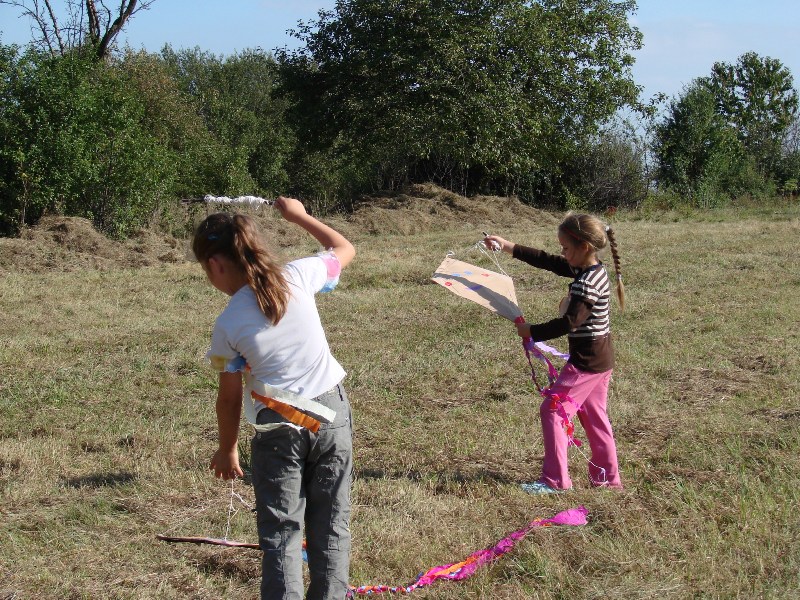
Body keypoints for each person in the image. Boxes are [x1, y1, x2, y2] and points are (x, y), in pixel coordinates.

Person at [192, 197, 356, 600]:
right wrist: (300, 216)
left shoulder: (228, 324)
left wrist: (227, 449)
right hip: (331, 416)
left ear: (215, 264)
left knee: (282, 531)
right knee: (332, 523)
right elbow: (343, 248)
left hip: (279, 428)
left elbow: (229, 399)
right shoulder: (298, 274)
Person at [485, 213, 625, 494]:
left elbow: (569, 322)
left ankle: (556, 481)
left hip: (586, 362)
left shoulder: (587, 282)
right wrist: (507, 245)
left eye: (566, 248)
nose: (562, 253)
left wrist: (531, 331)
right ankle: (608, 479)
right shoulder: (589, 269)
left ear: (584, 246)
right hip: (601, 358)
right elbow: (546, 260)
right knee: (595, 418)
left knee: (553, 410)